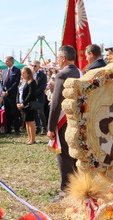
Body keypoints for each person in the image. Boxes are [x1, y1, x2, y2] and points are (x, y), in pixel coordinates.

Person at [47, 45, 81, 198]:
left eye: (58, 58)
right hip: (78, 119)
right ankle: (76, 187)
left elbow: (55, 103)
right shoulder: (80, 72)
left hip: (63, 120)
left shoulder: (62, 75)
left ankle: (66, 190)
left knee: (63, 155)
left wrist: (50, 126)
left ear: (63, 58)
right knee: (74, 155)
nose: (57, 61)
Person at [17, 67, 38, 145]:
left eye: (24, 73)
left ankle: (33, 139)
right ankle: (29, 138)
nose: (22, 74)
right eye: (22, 73)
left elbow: (31, 94)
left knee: (30, 121)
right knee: (26, 122)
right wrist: (17, 102)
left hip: (29, 105)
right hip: (22, 104)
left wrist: (24, 103)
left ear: (28, 74)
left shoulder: (32, 82)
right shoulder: (22, 82)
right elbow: (18, 93)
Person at [1, 56, 21, 134]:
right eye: (5, 61)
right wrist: (2, 91)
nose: (5, 62)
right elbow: (2, 82)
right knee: (7, 112)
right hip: (4, 95)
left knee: (14, 111)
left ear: (11, 61)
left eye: (7, 61)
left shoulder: (16, 70)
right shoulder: (5, 71)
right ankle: (8, 128)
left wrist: (8, 91)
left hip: (12, 94)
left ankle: (16, 128)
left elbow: (16, 83)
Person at [31, 60, 48, 135]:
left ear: (38, 66)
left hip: (39, 97)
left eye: (35, 66)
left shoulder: (42, 75)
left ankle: (44, 128)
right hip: (32, 97)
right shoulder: (30, 74)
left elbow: (42, 87)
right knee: (34, 113)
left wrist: (34, 93)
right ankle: (37, 128)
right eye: (32, 65)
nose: (33, 67)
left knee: (40, 112)